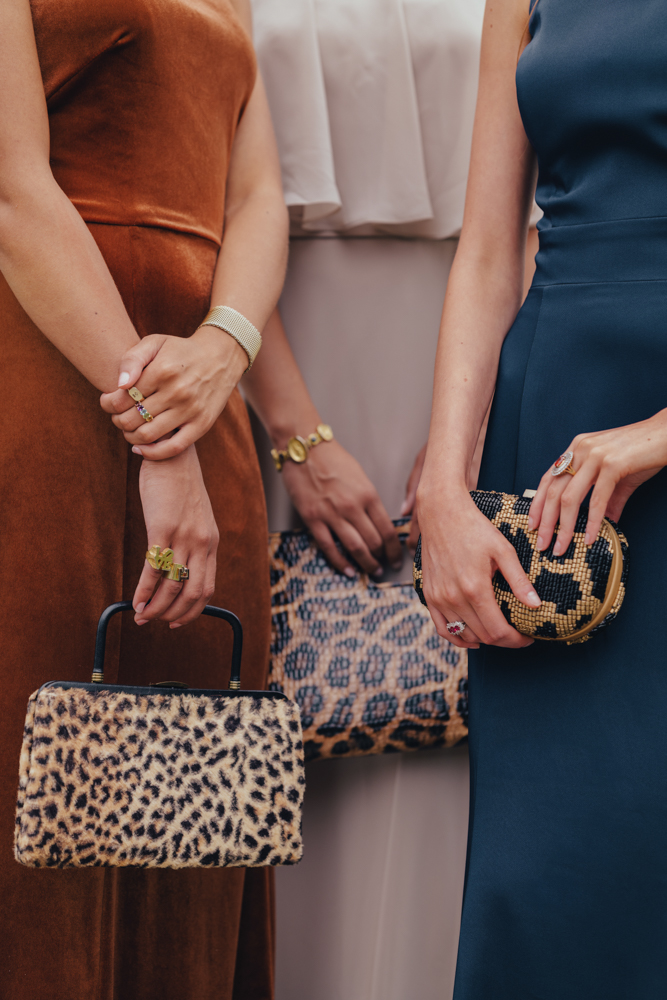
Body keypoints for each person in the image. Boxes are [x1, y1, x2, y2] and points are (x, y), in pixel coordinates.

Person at [0, 0, 288, 997]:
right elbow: (8, 189)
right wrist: (159, 434)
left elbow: (255, 197)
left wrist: (225, 348)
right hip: (49, 377)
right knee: (35, 783)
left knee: (192, 804)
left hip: (202, 399)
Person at [418, 0, 667, 996]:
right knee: (543, 872)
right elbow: (485, 252)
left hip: (640, 431)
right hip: (552, 447)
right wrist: (442, 487)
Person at [249, 2, 486, 998]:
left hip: (466, 362)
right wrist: (295, 434)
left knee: (450, 701)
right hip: (276, 360)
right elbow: (212, 207)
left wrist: (465, 430)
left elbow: (527, 205)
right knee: (285, 698)